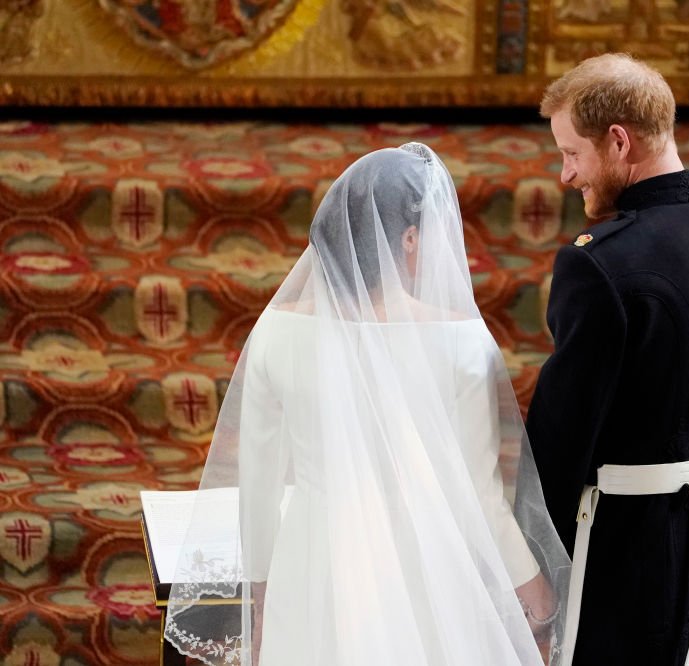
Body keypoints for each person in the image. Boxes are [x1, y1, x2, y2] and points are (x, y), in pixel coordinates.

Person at [164, 143, 571, 665]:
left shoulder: (275, 333)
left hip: (313, 562)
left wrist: (262, 598)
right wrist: (531, 584)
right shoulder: (466, 343)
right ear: (407, 238)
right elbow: (479, 497)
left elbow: (258, 488)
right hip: (422, 561)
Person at [526, 54, 689, 666]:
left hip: (623, 560)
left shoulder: (597, 264)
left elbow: (559, 444)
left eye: (572, 153)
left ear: (619, 141)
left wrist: (540, 579)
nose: (566, 175)